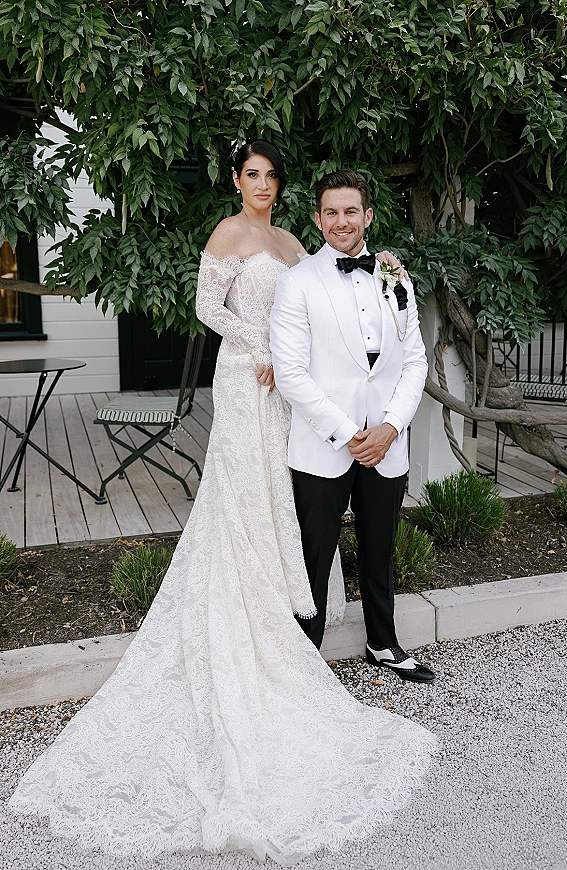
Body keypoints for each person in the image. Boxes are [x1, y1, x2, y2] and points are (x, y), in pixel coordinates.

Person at [8, 143, 437, 866]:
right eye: (253, 175)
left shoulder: (300, 245)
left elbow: (348, 323)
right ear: (237, 181)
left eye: (273, 175)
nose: (263, 185)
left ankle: (313, 625)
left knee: (286, 503)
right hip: (251, 377)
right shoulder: (230, 234)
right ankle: (264, 635)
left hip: (301, 401)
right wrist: (262, 344)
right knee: (248, 497)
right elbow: (210, 306)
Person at [270, 169, 436, 683]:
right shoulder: (297, 282)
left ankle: (383, 644)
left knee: (380, 546)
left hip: (386, 444)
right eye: (331, 212)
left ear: (369, 216)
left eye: (351, 211)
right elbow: (291, 373)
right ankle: (306, 659)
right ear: (319, 219)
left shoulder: (395, 277)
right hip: (325, 444)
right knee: (314, 553)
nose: (342, 221)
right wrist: (349, 434)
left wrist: (388, 429)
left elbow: (415, 361)